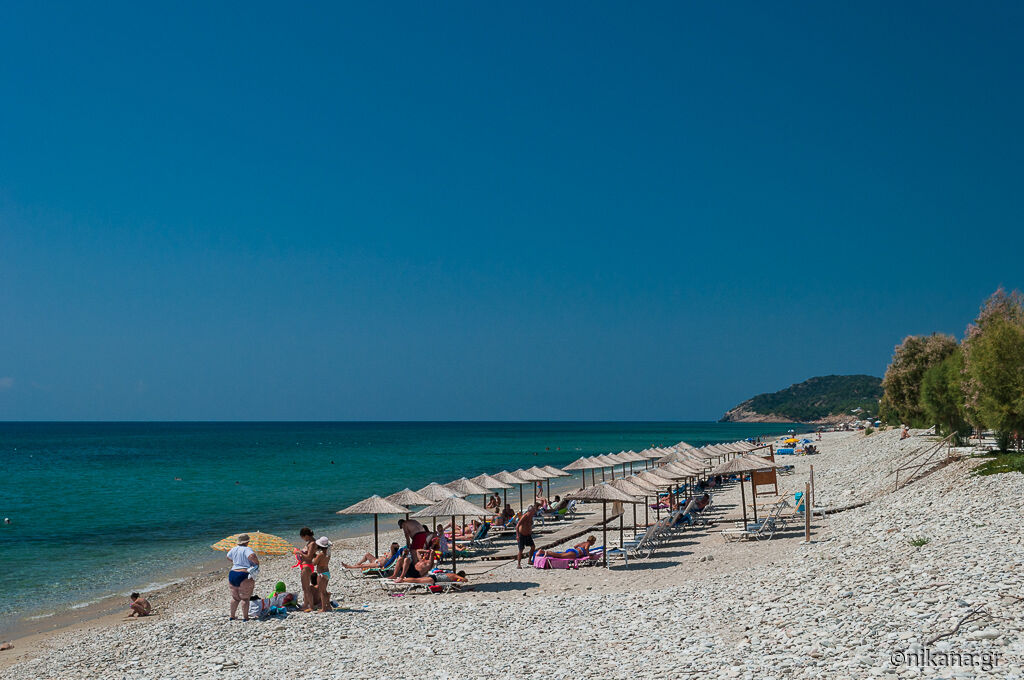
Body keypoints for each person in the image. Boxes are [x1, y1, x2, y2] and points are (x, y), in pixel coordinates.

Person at [226, 534, 259, 621]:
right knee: (245, 598)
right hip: (244, 573)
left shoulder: (234, 549)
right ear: (247, 542)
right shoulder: (247, 549)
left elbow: (228, 556)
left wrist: (235, 562)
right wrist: (256, 563)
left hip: (233, 573)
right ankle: (245, 617)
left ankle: (232, 616)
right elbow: (252, 556)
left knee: (235, 598)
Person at [295, 528, 318, 610]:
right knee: (305, 587)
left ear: (306, 535)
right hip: (307, 565)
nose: (303, 539)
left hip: (307, 566)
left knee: (306, 588)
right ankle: (305, 605)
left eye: (303, 537)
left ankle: (311, 606)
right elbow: (313, 555)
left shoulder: (312, 543)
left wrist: (300, 552)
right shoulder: (312, 542)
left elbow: (309, 557)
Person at [311, 537, 332, 613]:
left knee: (322, 592)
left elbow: (314, 563)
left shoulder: (320, 555)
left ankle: (324, 608)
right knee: (324, 590)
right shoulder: (328, 554)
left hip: (321, 574)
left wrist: (313, 557)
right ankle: (328, 606)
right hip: (327, 573)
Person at [515, 504, 537, 569]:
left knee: (533, 547)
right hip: (521, 535)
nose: (534, 512)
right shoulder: (525, 516)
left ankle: (529, 560)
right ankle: (518, 564)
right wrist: (517, 535)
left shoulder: (531, 516)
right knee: (521, 549)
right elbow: (517, 526)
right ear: (530, 511)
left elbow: (529, 524)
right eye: (533, 511)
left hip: (528, 535)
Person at [394, 570, 468, 586]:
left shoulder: (452, 574)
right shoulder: (454, 575)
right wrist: (464, 579)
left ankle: (403, 579)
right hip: (434, 579)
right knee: (417, 580)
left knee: (418, 580)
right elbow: (464, 580)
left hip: (434, 577)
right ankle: (402, 580)